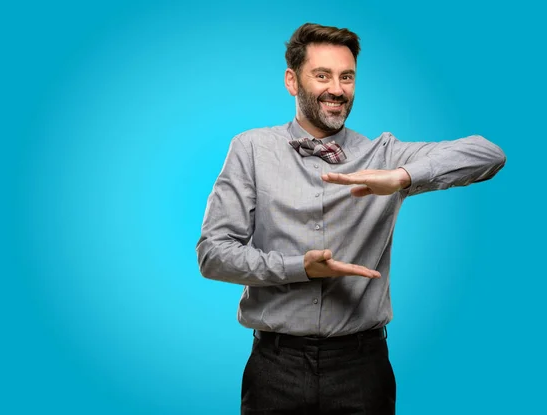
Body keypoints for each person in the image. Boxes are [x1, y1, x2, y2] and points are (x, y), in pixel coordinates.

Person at [196, 22, 506, 415]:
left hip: (362, 367)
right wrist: (300, 268)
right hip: (275, 366)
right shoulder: (252, 149)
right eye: (322, 75)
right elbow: (213, 254)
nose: (337, 89)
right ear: (292, 81)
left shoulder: (384, 155)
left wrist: (402, 177)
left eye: (347, 77)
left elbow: (488, 153)